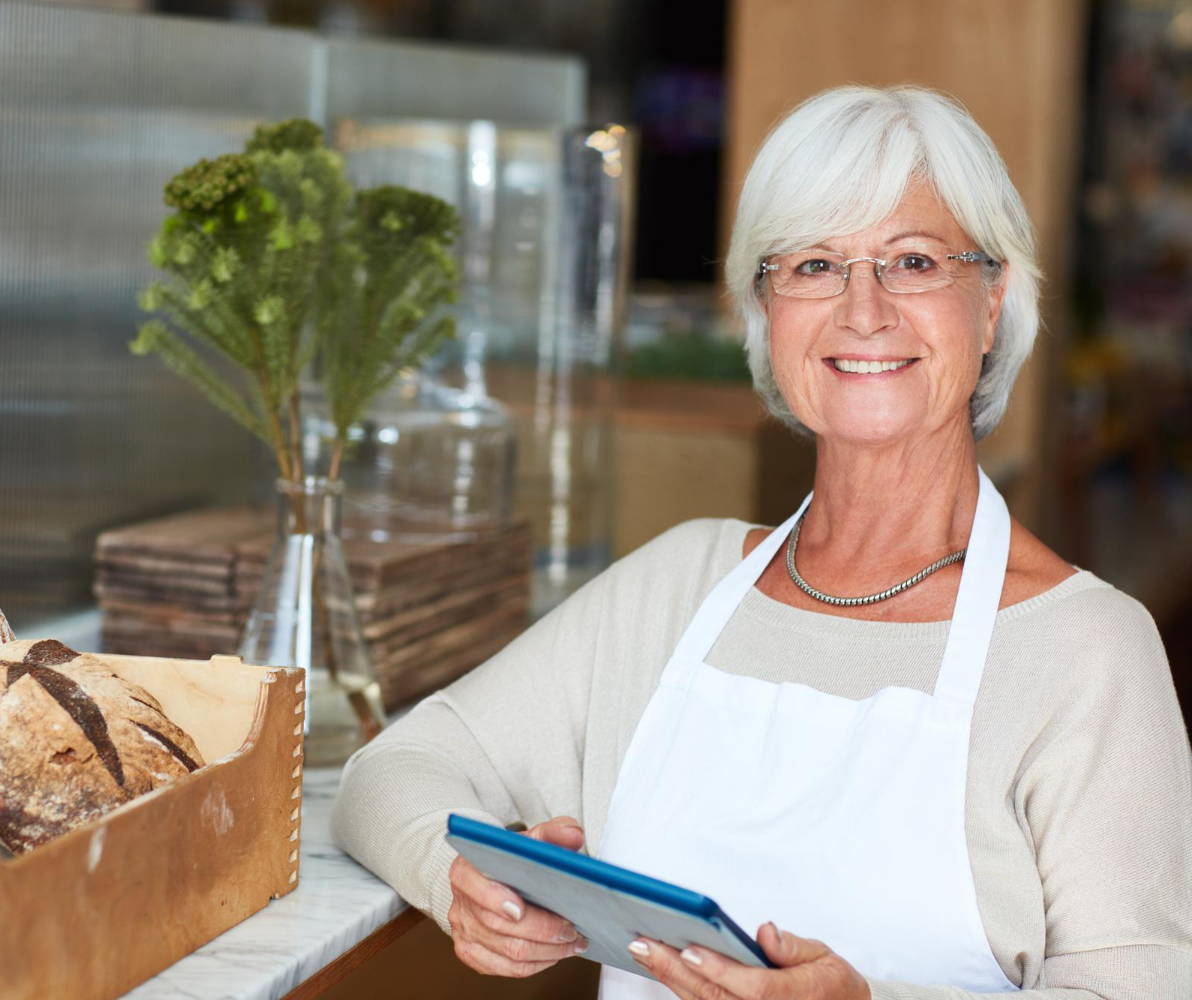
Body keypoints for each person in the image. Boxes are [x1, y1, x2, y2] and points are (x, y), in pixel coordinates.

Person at [331, 85, 1192, 999]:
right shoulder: (677, 587)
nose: (864, 311)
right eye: (815, 266)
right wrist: (460, 883)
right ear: (765, 310)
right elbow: (390, 771)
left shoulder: (1087, 651)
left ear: (993, 302)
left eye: (911, 260)